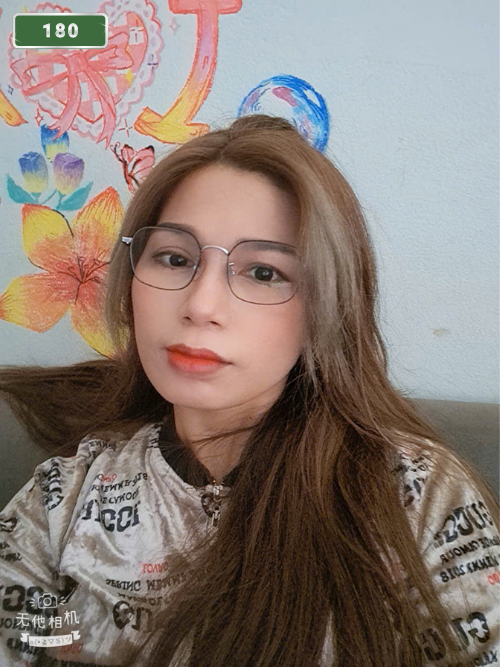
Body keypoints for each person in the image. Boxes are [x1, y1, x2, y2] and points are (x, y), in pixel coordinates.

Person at [0, 114, 498, 667]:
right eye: (174, 258)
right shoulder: (67, 497)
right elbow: (29, 641)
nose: (200, 305)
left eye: (263, 273)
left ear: (327, 307)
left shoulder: (415, 495)